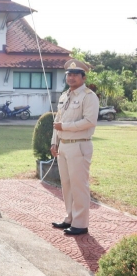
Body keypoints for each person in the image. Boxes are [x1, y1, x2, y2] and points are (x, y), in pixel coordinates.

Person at [50, 59, 99, 236]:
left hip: (79, 145)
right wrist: (54, 142)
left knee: (79, 185)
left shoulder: (89, 96)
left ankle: (80, 223)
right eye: (69, 74)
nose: (71, 78)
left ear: (83, 77)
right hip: (64, 145)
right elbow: (57, 121)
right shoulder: (65, 96)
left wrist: (65, 127)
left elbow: (89, 121)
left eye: (75, 75)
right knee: (66, 184)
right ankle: (70, 218)